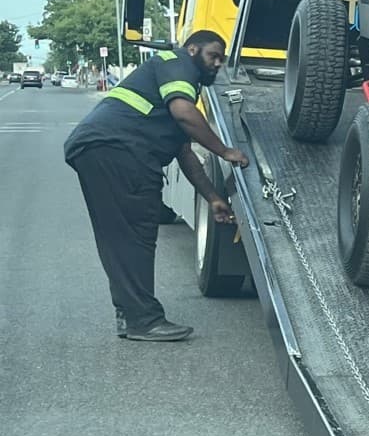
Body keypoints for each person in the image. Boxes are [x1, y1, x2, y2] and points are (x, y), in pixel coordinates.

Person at [64, 30, 249, 341]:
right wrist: (226, 151)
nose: (217, 64)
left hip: (99, 150)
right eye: (212, 56)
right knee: (136, 234)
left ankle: (131, 315)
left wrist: (212, 197)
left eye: (221, 59)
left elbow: (185, 153)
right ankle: (143, 320)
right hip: (120, 150)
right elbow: (184, 113)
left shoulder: (166, 82)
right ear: (192, 49)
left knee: (120, 236)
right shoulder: (177, 63)